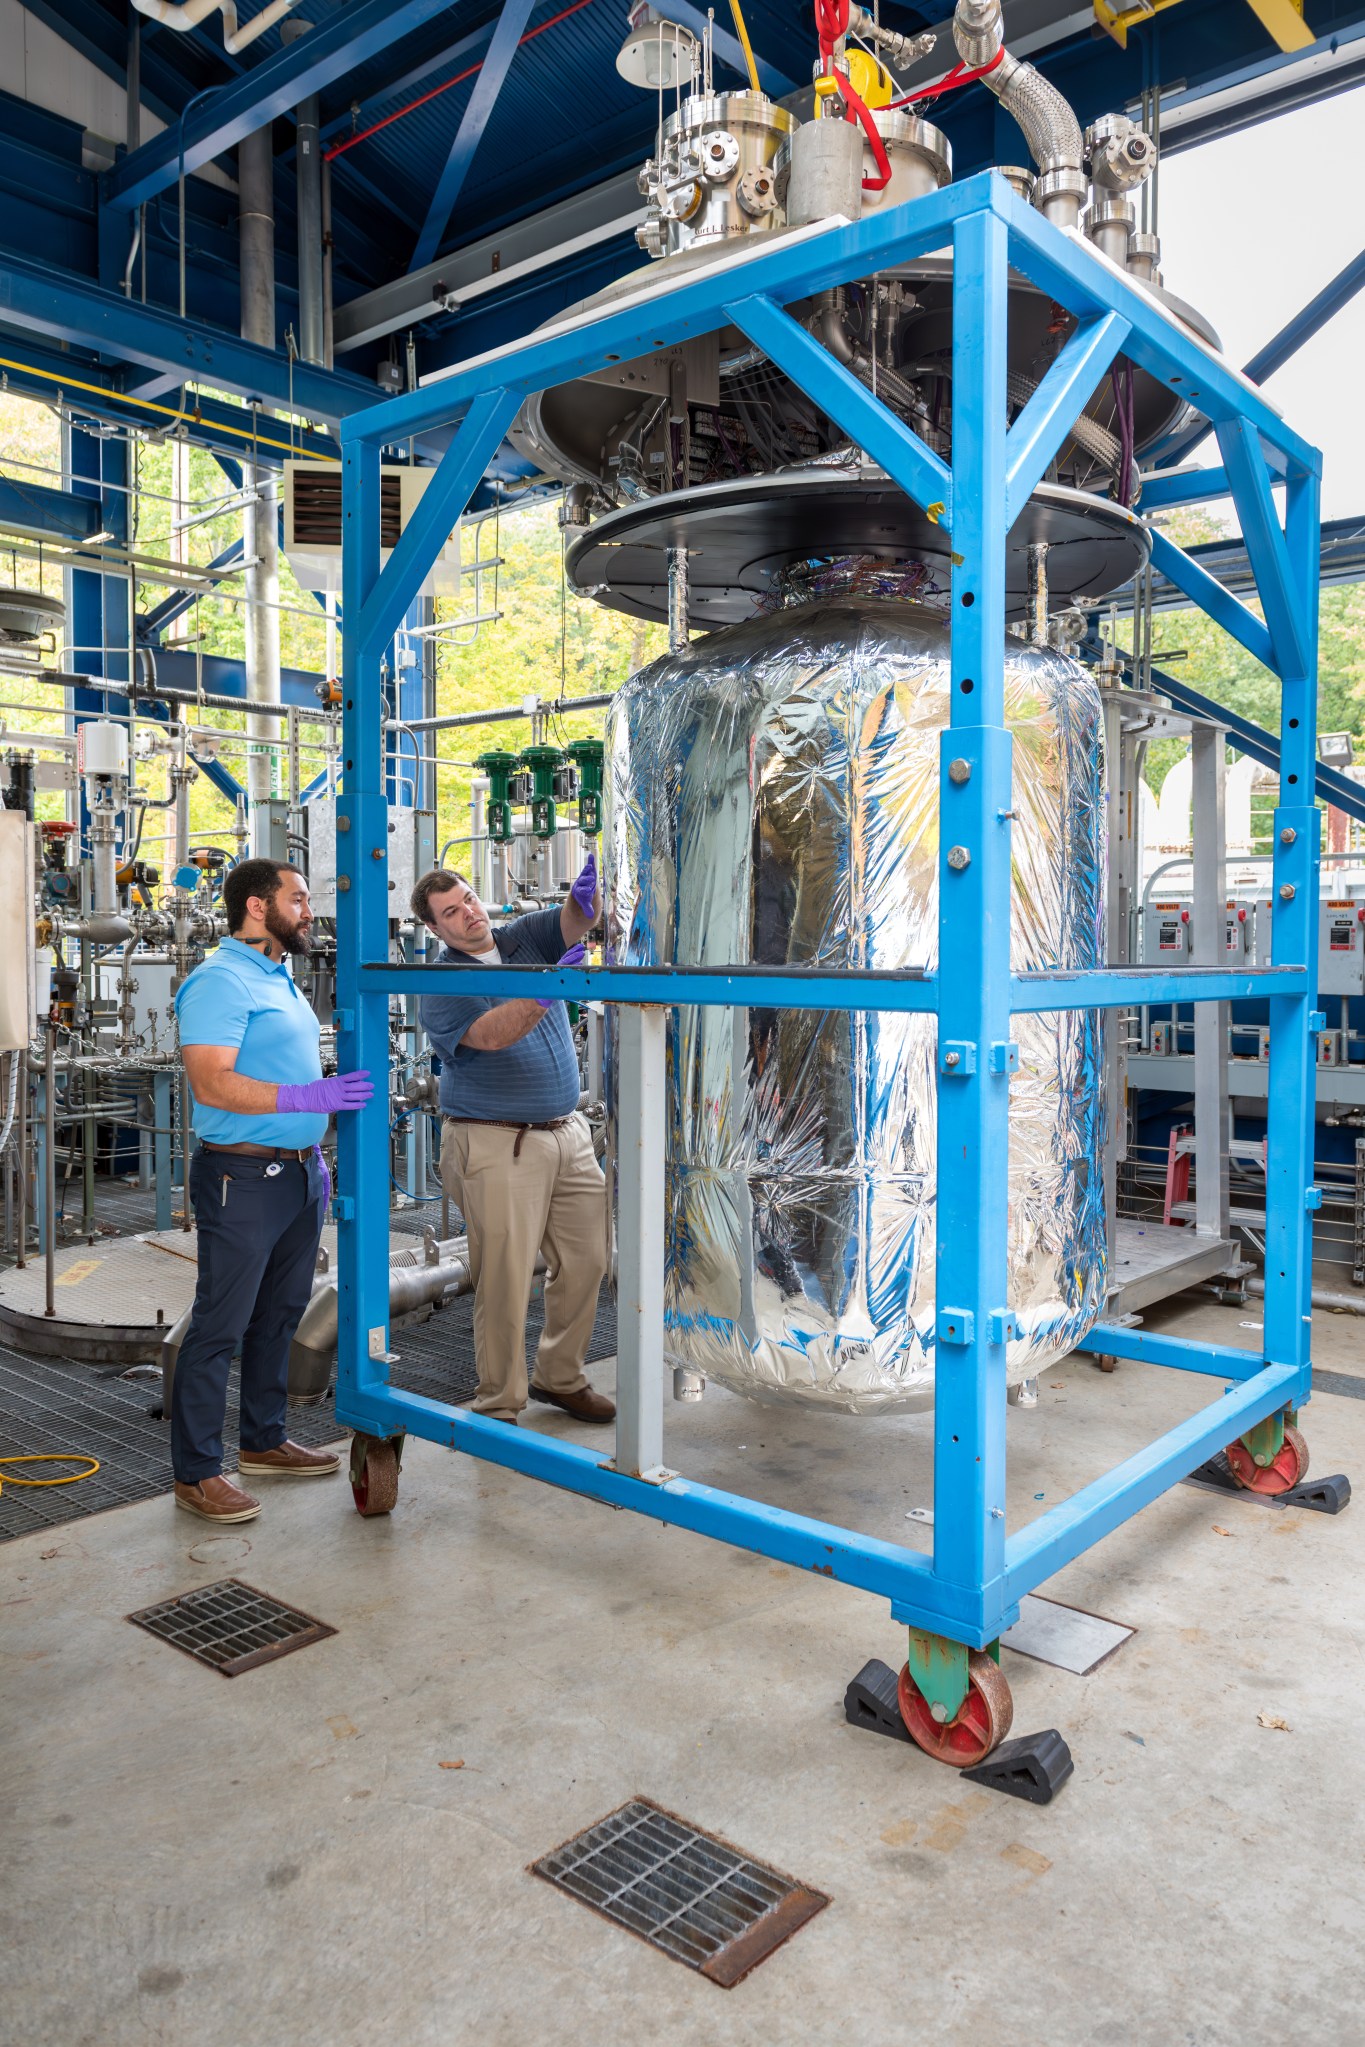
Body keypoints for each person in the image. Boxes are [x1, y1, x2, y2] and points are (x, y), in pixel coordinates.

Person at [170, 858, 374, 1523]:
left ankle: (262, 1440)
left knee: (279, 1315)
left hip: (300, 1170)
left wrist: (316, 1114)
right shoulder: (219, 981)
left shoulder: (278, 975)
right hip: (242, 1174)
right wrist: (309, 1094)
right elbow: (212, 1083)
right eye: (299, 897)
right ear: (258, 907)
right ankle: (197, 1472)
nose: (309, 909)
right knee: (219, 1324)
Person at [412, 855, 612, 1428]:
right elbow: (491, 1036)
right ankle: (499, 1403)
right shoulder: (442, 982)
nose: (468, 914)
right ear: (434, 928)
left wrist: (588, 890)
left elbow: (576, 920)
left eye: (469, 899)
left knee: (588, 1259)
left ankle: (561, 1376)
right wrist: (549, 990)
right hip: (497, 1141)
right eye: (451, 912)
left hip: (566, 1132)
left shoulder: (520, 937)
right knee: (504, 1276)